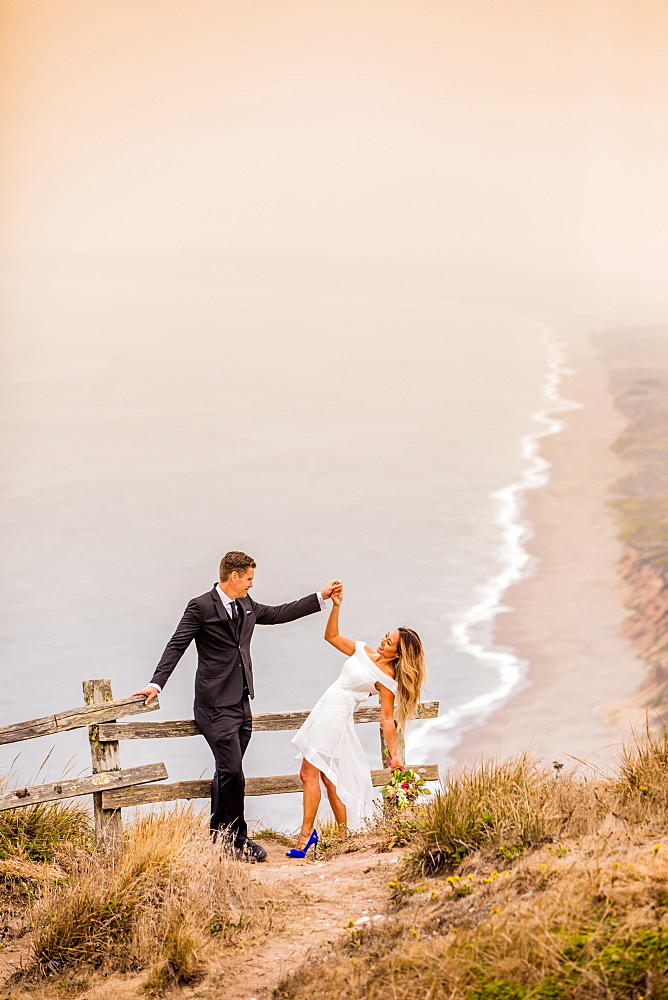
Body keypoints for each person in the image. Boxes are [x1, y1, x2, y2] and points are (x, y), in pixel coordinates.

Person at [133, 550, 340, 862]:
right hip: (213, 705)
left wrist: (320, 598)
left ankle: (220, 835)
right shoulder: (200, 606)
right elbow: (177, 644)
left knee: (226, 772)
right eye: (248, 579)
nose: (251, 585)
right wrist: (156, 683)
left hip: (242, 703)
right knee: (233, 771)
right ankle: (239, 840)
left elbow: (279, 612)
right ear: (233, 577)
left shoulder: (247, 605)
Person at [286, 584, 426, 858]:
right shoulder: (362, 650)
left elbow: (387, 718)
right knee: (327, 778)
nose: (383, 641)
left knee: (308, 773)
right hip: (325, 709)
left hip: (336, 716)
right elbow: (332, 636)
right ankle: (343, 835)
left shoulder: (387, 680)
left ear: (399, 654)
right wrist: (337, 606)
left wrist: (394, 755)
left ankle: (305, 836)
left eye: (389, 642)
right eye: (386, 636)